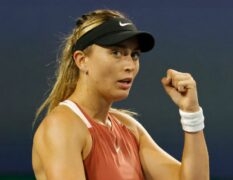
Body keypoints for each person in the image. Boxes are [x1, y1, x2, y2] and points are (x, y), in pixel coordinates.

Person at [32, 9, 209, 180]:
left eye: (134, 55)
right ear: (82, 60)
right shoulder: (62, 127)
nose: (130, 65)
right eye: (116, 52)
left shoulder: (130, 128)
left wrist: (191, 113)